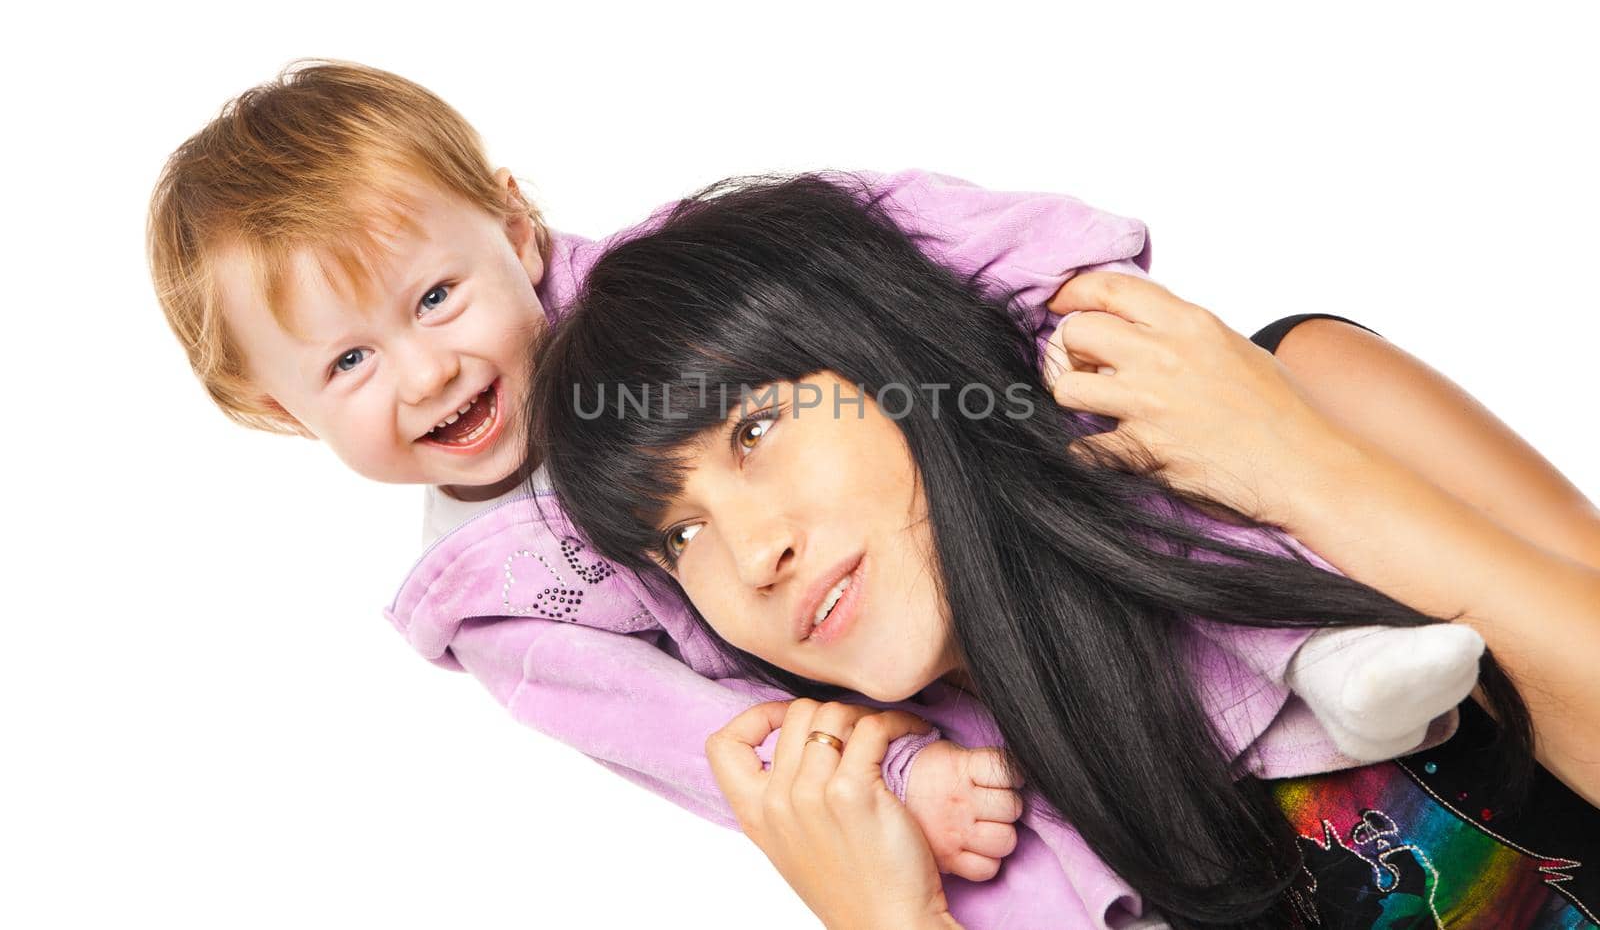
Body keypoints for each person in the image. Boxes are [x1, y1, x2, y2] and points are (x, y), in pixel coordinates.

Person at [146, 60, 1191, 889]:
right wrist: (895, 777)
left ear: (515, 227)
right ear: (285, 412)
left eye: (434, 297)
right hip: (906, 718)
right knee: (1021, 858)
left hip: (1026, 539)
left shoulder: (677, 271)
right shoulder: (497, 600)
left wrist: (1074, 292)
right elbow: (694, 740)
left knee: (1182, 534)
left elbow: (888, 227)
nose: (425, 373)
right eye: (347, 362)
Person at [530, 174, 1600, 928]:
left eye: (754, 429)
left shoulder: (1299, 391)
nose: (750, 553)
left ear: (892, 358)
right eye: (679, 534)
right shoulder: (959, 830)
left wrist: (1302, 469)